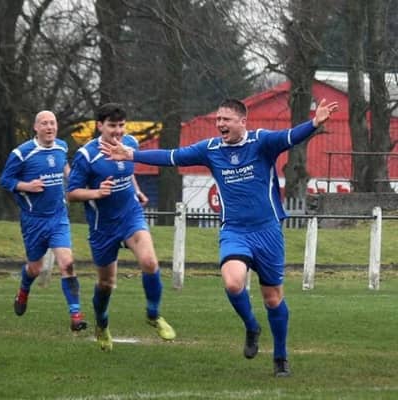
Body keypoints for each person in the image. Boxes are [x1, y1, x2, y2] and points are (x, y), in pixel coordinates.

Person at [100, 98, 339, 375]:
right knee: (233, 283)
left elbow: (290, 137)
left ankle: (280, 357)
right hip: (235, 231)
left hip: (268, 231)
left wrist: (314, 123)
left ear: (242, 122)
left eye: (226, 119)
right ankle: (251, 326)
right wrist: (131, 155)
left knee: (273, 298)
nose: (221, 124)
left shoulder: (261, 142)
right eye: (218, 120)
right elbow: (173, 156)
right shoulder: (210, 149)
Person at [67, 103, 176, 351]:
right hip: (102, 226)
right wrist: (97, 192)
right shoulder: (86, 156)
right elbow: (72, 193)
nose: (117, 131)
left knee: (149, 262)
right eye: (112, 126)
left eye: (121, 125)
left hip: (130, 215)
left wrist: (135, 190)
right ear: (100, 126)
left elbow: (127, 169)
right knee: (106, 283)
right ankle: (102, 323)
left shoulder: (130, 144)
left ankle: (153, 314)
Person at [0, 110, 87, 332]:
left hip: (58, 217)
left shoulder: (61, 146)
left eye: (53, 123)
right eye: (45, 124)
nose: (50, 127)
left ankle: (76, 315)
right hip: (33, 220)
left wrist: (74, 180)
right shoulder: (22, 153)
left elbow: (63, 167)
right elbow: (5, 180)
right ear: (36, 128)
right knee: (35, 268)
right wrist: (26, 186)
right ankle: (23, 289)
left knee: (67, 262)